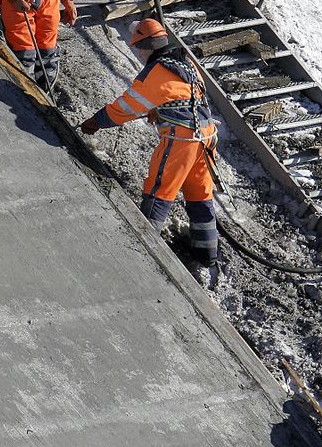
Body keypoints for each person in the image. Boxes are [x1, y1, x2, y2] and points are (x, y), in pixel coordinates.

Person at [80, 18, 219, 266]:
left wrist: (96, 121)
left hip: (182, 139)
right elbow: (186, 96)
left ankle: (143, 251)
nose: (139, 54)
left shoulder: (155, 72)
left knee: (159, 192)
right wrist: (160, 107)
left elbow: (126, 107)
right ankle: (207, 254)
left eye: (139, 49)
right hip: (206, 136)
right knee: (200, 195)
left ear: (146, 46)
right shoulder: (185, 62)